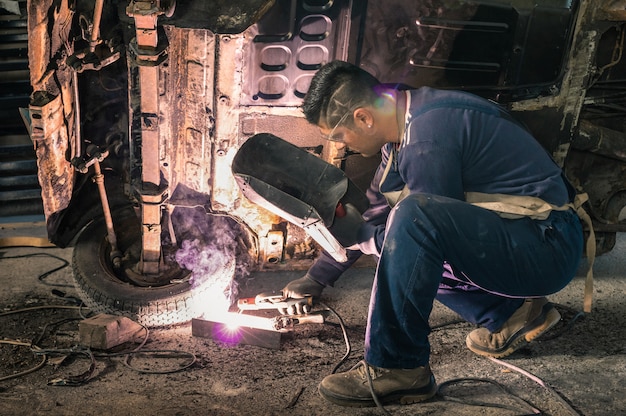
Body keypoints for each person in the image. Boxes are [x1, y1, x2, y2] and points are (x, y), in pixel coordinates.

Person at [280, 60, 584, 407]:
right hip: (526, 239)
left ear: (364, 118)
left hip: (547, 246)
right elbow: (376, 214)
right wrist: (316, 277)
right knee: (407, 240)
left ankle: (398, 367)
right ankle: (509, 313)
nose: (342, 144)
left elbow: (416, 233)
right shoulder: (401, 134)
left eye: (338, 135)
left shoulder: (429, 133)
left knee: (413, 225)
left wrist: (368, 237)